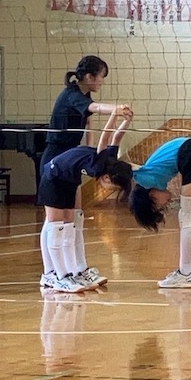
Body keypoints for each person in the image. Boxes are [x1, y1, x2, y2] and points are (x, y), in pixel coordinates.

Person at [40, 55, 132, 281]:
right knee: (54, 220)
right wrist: (116, 109)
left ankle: (78, 268)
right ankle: (51, 272)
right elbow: (95, 108)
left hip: (72, 158)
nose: (102, 82)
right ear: (89, 77)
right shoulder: (72, 95)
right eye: (101, 77)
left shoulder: (84, 94)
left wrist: (91, 151)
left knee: (75, 216)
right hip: (55, 159)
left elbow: (90, 124)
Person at [130, 137, 191, 288]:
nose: (164, 206)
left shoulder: (144, 180)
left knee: (188, 218)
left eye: (157, 207)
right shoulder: (155, 179)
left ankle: (185, 273)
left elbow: (123, 168)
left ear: (149, 197)